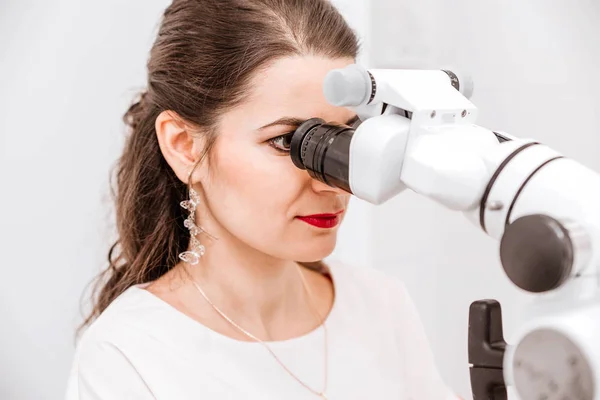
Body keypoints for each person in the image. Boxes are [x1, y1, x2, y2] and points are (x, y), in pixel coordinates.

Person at [65, 0, 459, 399]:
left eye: (345, 138)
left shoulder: (380, 305)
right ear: (184, 146)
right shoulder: (128, 356)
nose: (335, 183)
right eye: (289, 142)